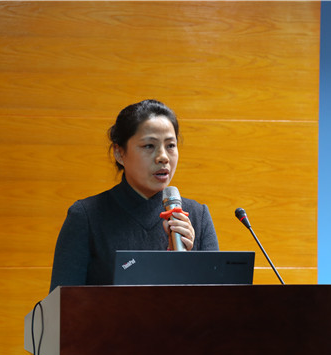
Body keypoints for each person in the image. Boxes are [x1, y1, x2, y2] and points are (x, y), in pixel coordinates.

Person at [49, 99, 219, 292]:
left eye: (171, 145)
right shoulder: (86, 217)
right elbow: (61, 304)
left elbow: (218, 302)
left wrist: (189, 260)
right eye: (149, 146)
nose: (163, 157)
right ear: (119, 153)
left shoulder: (197, 216)